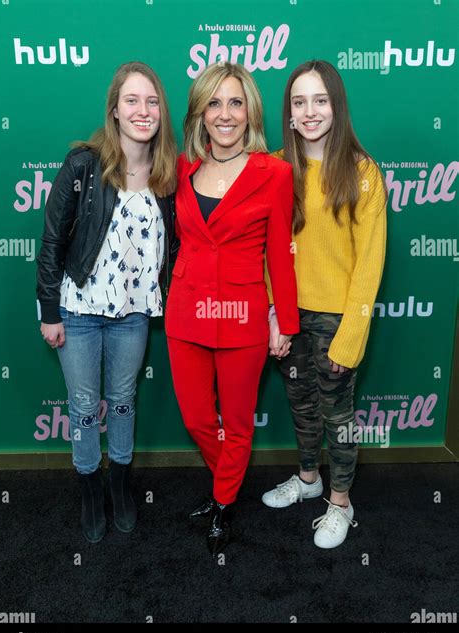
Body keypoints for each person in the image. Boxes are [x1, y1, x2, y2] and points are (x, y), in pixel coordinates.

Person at [36, 62, 178, 543]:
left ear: (161, 111)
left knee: (121, 402)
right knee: (81, 406)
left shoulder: (167, 175)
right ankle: (90, 488)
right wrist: (49, 311)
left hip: (133, 315)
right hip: (77, 311)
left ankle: (120, 482)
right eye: (133, 101)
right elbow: (53, 240)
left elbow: (174, 248)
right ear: (114, 110)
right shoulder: (83, 164)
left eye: (152, 101)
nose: (143, 110)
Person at [165, 62, 299, 557]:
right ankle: (229, 483)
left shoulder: (276, 173)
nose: (225, 114)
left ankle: (222, 502)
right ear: (200, 113)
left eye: (235, 103)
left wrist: (284, 321)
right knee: (199, 418)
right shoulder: (182, 169)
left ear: (250, 112)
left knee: (238, 424)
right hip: (185, 311)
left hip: (243, 316)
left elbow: (281, 253)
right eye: (214, 103)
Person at [263, 60, 387, 548]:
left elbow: (369, 265)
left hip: (337, 319)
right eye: (299, 102)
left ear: (336, 106)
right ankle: (309, 479)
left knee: (339, 417)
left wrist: (350, 337)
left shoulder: (362, 173)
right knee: (303, 408)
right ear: (289, 112)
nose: (309, 111)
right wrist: (274, 314)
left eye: (319, 100)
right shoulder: (274, 169)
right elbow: (266, 252)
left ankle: (340, 502)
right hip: (289, 317)